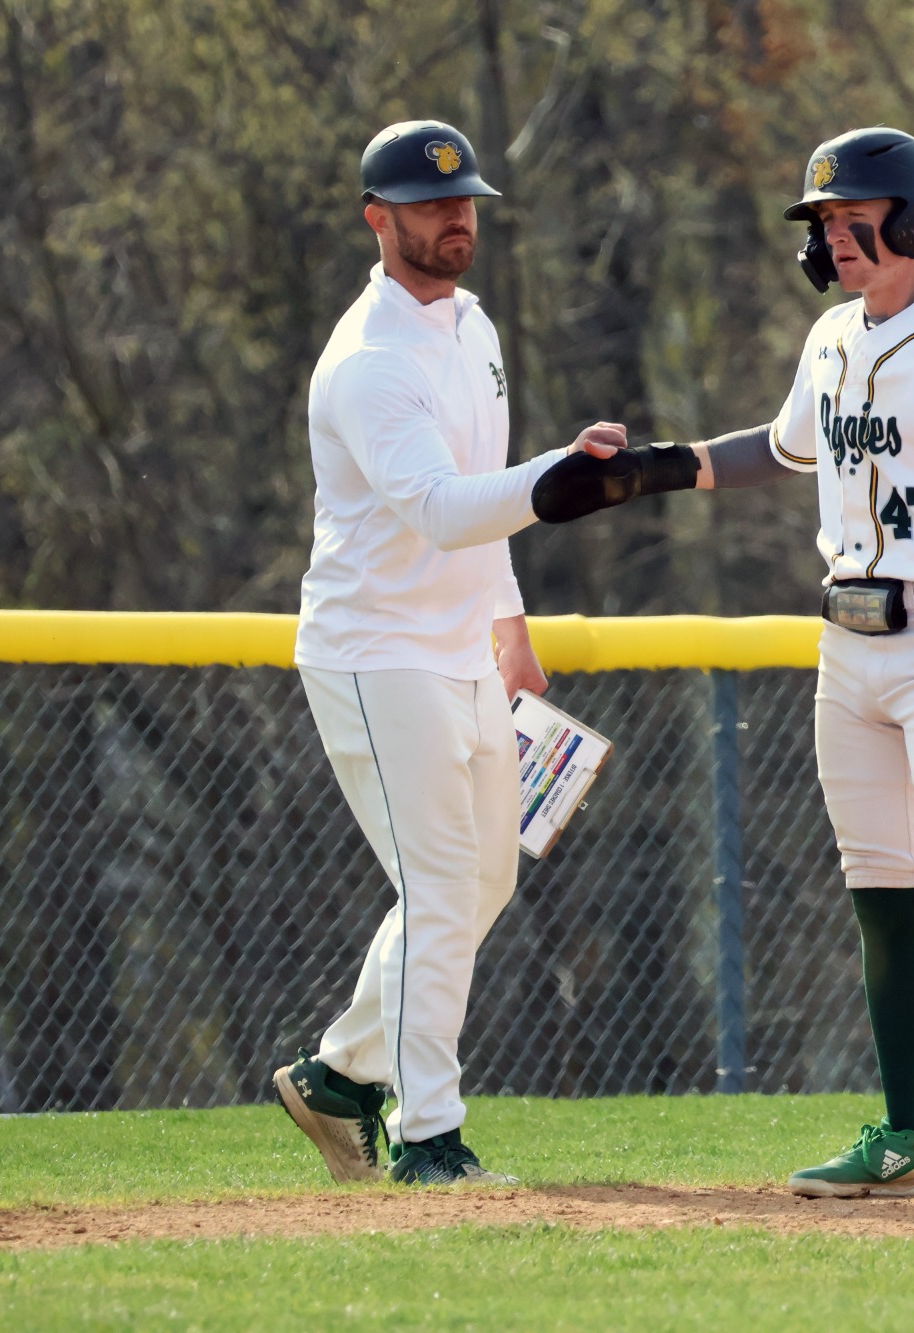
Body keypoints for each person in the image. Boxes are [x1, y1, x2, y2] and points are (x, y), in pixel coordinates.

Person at [533, 126, 914, 1197]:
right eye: (822, 222)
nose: (833, 237)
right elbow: (783, 446)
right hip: (846, 645)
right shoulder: (831, 337)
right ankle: (909, 1134)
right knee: (879, 889)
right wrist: (653, 471)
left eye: (854, 217)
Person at [273, 120, 624, 1187]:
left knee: (483, 880)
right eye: (429, 205)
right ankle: (429, 1135)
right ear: (377, 221)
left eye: (463, 199)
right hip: (377, 651)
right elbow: (437, 507)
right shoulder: (368, 362)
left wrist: (508, 624)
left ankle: (339, 1077)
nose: (454, 217)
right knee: (436, 885)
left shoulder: (473, 326)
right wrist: (553, 478)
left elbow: (478, 492)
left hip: (461, 646)